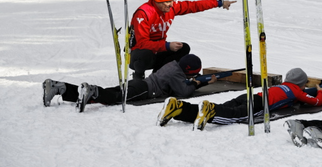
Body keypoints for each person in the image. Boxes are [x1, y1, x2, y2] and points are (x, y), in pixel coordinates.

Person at [130, 0, 236, 80]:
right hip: (138, 55)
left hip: (158, 50)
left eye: (172, 0)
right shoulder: (144, 13)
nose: (171, 5)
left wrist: (219, 3)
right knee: (146, 53)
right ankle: (139, 77)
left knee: (183, 48)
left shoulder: (171, 8)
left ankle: (158, 77)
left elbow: (194, 6)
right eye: (167, 2)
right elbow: (142, 43)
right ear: (158, 0)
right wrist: (166, 46)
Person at [158, 67, 322, 130]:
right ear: (301, 83)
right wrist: (321, 91)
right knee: (231, 116)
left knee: (219, 108)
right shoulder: (296, 91)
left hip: (250, 96)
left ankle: (179, 107)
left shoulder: (281, 86)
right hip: (259, 104)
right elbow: (316, 102)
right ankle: (209, 110)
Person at [42, 54, 216, 112]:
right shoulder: (177, 74)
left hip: (139, 83)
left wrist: (193, 79)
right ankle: (93, 91)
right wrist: (199, 83)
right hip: (145, 89)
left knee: (111, 91)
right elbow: (184, 92)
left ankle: (61, 88)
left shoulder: (173, 66)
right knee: (114, 98)